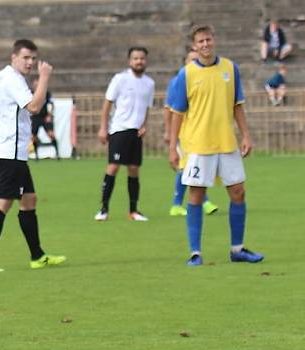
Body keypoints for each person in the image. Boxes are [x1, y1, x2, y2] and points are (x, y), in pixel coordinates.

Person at [168, 25, 264, 266]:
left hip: (226, 142)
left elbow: (237, 105)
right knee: (196, 195)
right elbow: (177, 113)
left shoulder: (231, 69)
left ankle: (237, 249)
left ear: (215, 40)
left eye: (208, 39)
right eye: (200, 41)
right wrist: (172, 146)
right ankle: (195, 252)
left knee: (238, 192)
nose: (205, 45)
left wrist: (246, 136)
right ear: (194, 46)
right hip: (198, 145)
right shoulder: (186, 74)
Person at [0, 39, 66, 273]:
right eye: (26, 57)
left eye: (34, 58)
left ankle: (37, 255)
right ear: (13, 57)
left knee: (29, 199)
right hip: (10, 152)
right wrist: (44, 78)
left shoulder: (0, 77)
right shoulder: (13, 80)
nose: (31, 62)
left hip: (11, 152)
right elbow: (33, 107)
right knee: (2, 203)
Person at [94, 47, 155, 222]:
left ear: (146, 61)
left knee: (134, 169)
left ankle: (133, 210)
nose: (139, 62)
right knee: (113, 166)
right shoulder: (120, 79)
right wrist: (103, 127)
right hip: (119, 129)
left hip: (136, 132)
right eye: (135, 58)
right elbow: (107, 104)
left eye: (142, 58)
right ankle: (104, 209)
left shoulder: (149, 83)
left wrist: (144, 125)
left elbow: (147, 108)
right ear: (130, 61)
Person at [164, 48, 219, 217]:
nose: (195, 61)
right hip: (183, 132)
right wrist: (168, 132)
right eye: (192, 59)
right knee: (186, 167)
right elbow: (169, 108)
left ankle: (202, 201)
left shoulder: (205, 78)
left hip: (199, 132)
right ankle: (179, 204)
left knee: (196, 167)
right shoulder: (179, 80)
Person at [30, 80, 59, 160]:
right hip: (35, 117)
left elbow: (52, 104)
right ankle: (36, 155)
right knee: (34, 137)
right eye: (35, 85)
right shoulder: (30, 93)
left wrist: (49, 115)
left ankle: (57, 154)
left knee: (51, 134)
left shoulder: (46, 93)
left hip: (44, 117)